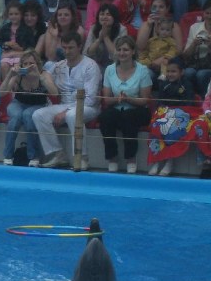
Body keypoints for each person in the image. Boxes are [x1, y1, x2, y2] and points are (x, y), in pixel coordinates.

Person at [32, 31, 101, 168]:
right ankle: (58, 154)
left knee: (72, 115)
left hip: (88, 107)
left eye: (71, 48)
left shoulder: (90, 66)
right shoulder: (59, 65)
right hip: (65, 104)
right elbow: (43, 76)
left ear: (79, 47)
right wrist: (40, 74)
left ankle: (81, 158)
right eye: (64, 48)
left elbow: (90, 99)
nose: (67, 51)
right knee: (38, 114)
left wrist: (66, 112)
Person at [98, 35, 152, 172]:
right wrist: (118, 99)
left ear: (133, 51)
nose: (122, 53)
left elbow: (145, 100)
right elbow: (106, 99)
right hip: (117, 106)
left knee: (128, 117)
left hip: (138, 108)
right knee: (105, 117)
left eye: (126, 50)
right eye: (119, 49)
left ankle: (131, 158)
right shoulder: (109, 70)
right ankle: (112, 157)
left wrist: (129, 99)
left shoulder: (143, 70)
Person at [0, 49, 58, 166]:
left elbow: (55, 93)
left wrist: (39, 76)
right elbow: (1, 93)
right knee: (15, 117)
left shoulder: (44, 74)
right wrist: (10, 74)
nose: (28, 66)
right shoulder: (19, 76)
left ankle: (33, 156)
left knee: (28, 115)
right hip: (18, 103)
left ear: (37, 64)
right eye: (25, 63)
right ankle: (8, 156)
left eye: (31, 63)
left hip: (38, 104)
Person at [147, 57, 196, 175]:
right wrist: (164, 112)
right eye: (168, 71)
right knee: (156, 125)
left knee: (171, 127)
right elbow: (160, 102)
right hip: (165, 112)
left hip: (181, 114)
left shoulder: (187, 85)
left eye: (173, 71)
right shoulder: (164, 84)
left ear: (181, 72)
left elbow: (189, 104)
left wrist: (174, 113)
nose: (170, 74)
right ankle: (156, 160)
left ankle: (169, 160)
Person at [0, 0, 37, 78]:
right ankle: (6, 84)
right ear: (8, 15)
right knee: (4, 65)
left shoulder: (27, 29)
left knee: (16, 67)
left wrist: (20, 48)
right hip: (7, 54)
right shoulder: (4, 28)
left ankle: (15, 84)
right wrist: (6, 44)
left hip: (20, 54)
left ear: (21, 15)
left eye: (16, 14)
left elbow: (31, 45)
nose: (13, 16)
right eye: (11, 14)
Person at [181, 0, 211, 94]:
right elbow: (185, 56)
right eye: (207, 13)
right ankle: (189, 97)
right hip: (195, 63)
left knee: (201, 75)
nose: (209, 16)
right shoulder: (194, 27)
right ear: (203, 13)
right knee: (188, 72)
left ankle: (204, 99)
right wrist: (194, 44)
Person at [83, 3, 125, 69]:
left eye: (108, 14)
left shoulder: (122, 30)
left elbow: (119, 56)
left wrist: (105, 37)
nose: (104, 17)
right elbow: (86, 53)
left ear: (114, 17)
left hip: (116, 66)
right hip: (96, 66)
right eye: (102, 14)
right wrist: (99, 39)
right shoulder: (93, 28)